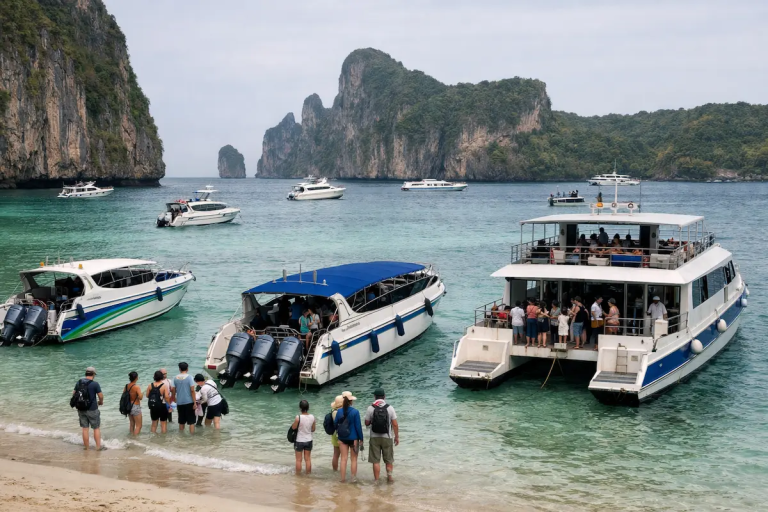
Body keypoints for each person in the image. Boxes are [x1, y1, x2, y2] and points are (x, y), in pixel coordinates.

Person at [364, 388, 399, 483]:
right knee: (389, 460)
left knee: (376, 461)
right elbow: (395, 424)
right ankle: (390, 477)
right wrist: (396, 437)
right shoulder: (390, 408)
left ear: (375, 396)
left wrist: (372, 421)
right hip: (387, 437)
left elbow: (366, 423)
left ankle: (376, 480)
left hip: (374, 437)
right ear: (384, 396)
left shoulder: (371, 408)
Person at [334, 394, 363, 483]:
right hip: (353, 438)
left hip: (342, 437)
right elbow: (358, 427)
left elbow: (335, 424)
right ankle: (353, 479)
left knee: (343, 459)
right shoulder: (355, 412)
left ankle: (342, 479)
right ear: (351, 401)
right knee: (354, 459)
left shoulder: (339, 411)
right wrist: (361, 438)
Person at [73, 366, 104, 450]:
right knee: (96, 428)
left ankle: (86, 447)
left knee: (85, 429)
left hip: (81, 408)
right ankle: (98, 447)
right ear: (93, 374)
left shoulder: (79, 382)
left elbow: (74, 394)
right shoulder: (95, 384)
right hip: (92, 408)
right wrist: (101, 402)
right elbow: (100, 396)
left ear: (86, 373)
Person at [291, 399, 316, 475]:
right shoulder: (312, 417)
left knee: (298, 460)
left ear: (300, 408)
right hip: (309, 440)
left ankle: (298, 476)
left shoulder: (298, 417)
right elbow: (313, 429)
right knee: (307, 459)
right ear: (308, 407)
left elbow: (293, 427)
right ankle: (308, 475)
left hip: (299, 440)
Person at [171, 362, 196, 434]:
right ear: (187, 369)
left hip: (180, 402)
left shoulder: (175, 378)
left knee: (181, 421)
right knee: (191, 421)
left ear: (179, 369)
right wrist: (194, 402)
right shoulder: (190, 377)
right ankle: (192, 437)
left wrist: (174, 398)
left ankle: (181, 437)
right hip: (189, 402)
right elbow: (192, 390)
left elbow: (173, 390)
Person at [330, 395, 344, 471]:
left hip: (334, 434)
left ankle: (335, 470)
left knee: (336, 454)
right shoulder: (341, 412)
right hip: (341, 434)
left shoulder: (333, 411)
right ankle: (342, 471)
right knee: (343, 455)